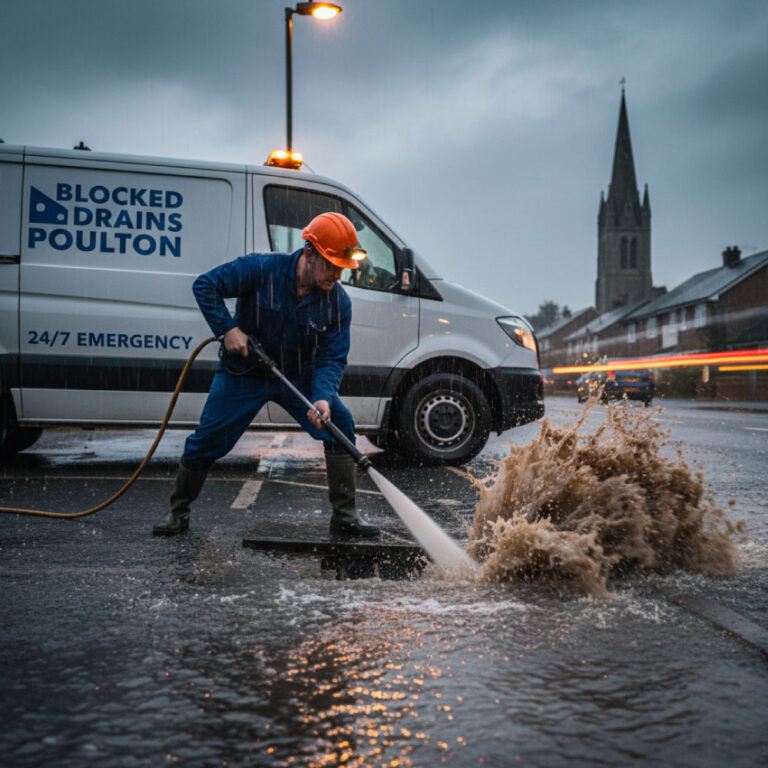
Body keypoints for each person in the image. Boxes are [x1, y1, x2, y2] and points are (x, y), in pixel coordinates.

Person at [152, 212, 380, 538]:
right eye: (331, 265)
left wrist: (322, 396)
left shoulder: (338, 303)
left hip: (297, 374)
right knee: (207, 440)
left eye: (342, 268)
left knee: (339, 425)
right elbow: (205, 285)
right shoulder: (260, 269)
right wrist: (227, 328)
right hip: (244, 372)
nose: (337, 276)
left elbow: (332, 357)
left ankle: (345, 517)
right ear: (309, 254)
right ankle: (178, 512)